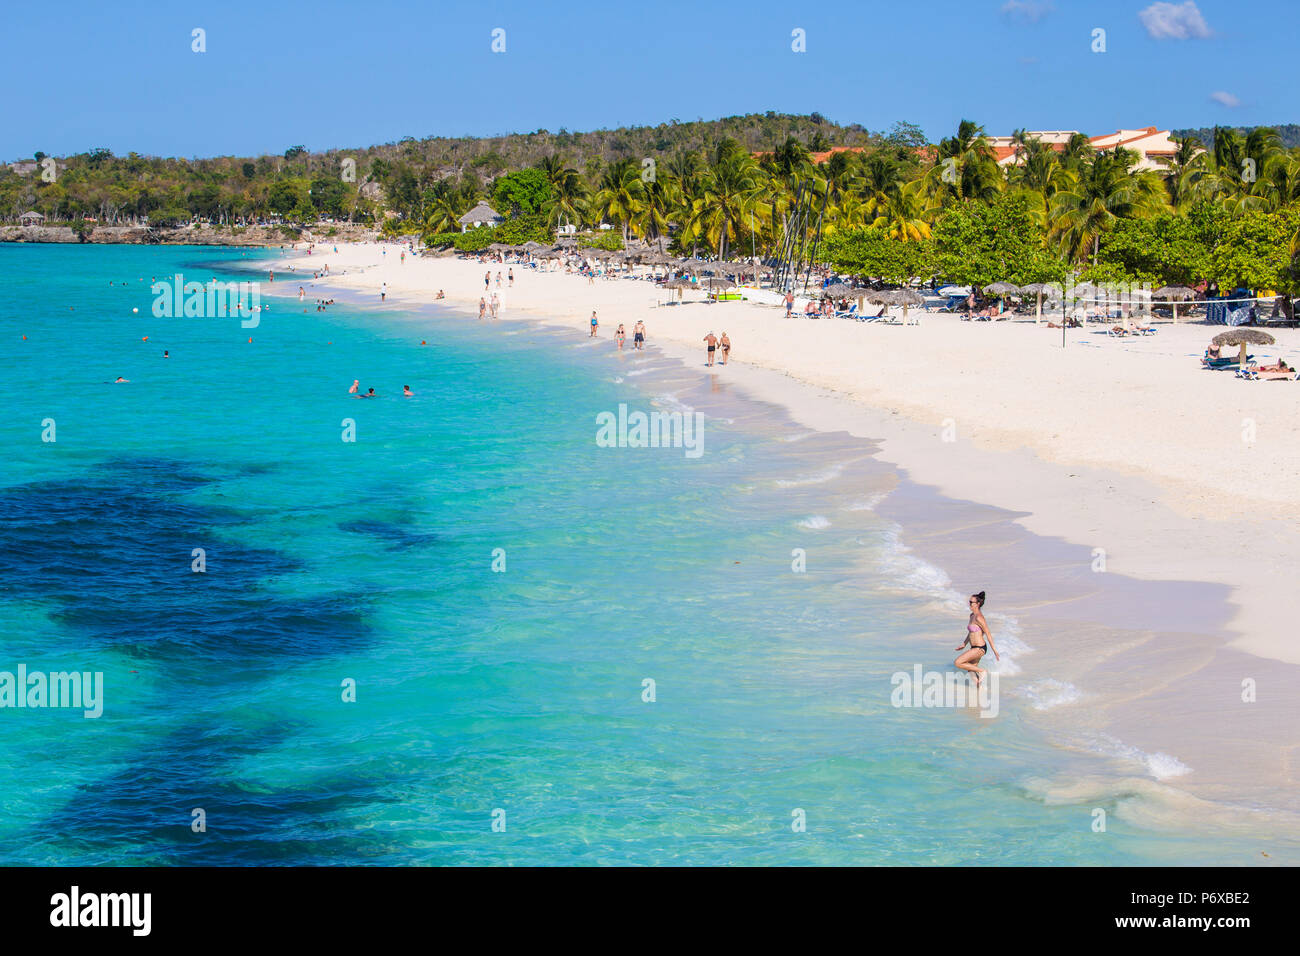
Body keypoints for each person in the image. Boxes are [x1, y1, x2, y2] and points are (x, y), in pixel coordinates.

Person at [955, 591, 999, 687]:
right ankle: (979, 691)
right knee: (971, 670)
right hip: (973, 647)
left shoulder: (979, 617)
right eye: (969, 602)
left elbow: (988, 633)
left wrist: (994, 650)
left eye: (971, 602)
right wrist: (964, 644)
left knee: (958, 662)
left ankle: (982, 671)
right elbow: (971, 632)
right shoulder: (972, 616)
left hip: (980, 648)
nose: (969, 604)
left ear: (978, 604)